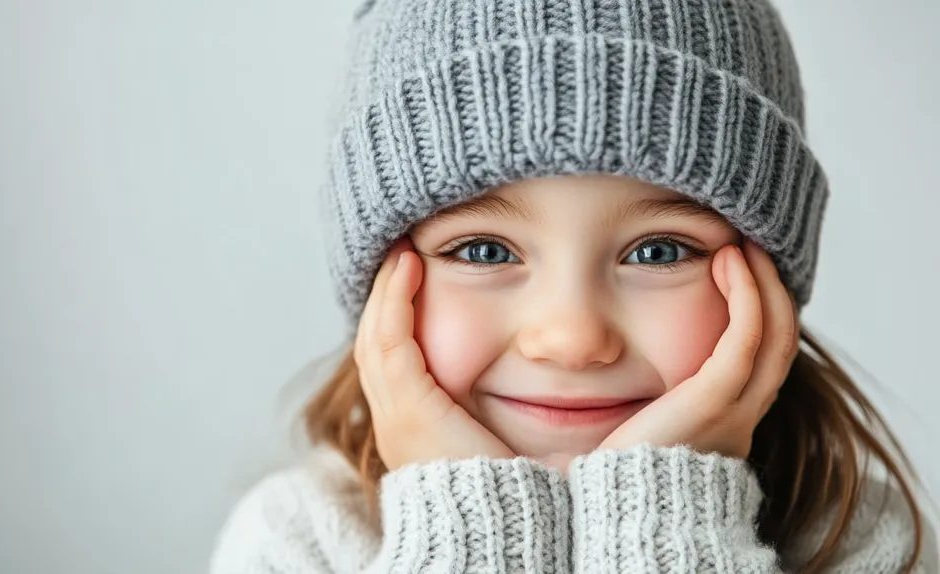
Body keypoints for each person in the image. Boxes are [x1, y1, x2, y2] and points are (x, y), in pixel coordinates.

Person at [210, 0, 937, 571]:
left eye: (658, 251)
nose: (572, 337)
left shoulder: (864, 543)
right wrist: (471, 537)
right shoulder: (295, 542)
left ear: (769, 285)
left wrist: (670, 521)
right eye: (484, 248)